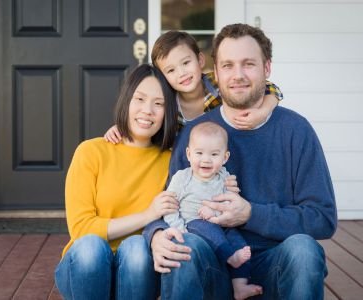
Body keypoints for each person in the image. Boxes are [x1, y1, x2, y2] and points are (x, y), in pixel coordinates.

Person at [144, 23, 337, 300]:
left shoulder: (296, 130)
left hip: (277, 262)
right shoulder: (194, 133)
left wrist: (250, 214)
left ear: (266, 68)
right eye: (228, 65)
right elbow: (169, 200)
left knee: (305, 251)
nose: (237, 75)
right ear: (216, 72)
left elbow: (323, 218)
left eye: (248, 64)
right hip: (213, 261)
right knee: (183, 247)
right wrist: (157, 233)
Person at [54, 64, 180, 300]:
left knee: (136, 248)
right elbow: (81, 229)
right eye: (139, 99)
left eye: (159, 103)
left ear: (168, 112)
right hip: (85, 268)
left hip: (138, 271)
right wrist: (147, 215)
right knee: (91, 246)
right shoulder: (91, 152)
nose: (147, 110)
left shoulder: (172, 160)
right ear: (126, 101)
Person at [104, 30, 284, 143]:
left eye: (186, 63)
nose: (182, 73)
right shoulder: (166, 101)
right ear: (162, 75)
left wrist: (263, 111)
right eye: (171, 70)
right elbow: (147, 119)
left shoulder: (218, 83)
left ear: (200, 60)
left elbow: (270, 88)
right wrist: (123, 127)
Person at [163, 121, 262, 299]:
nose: (206, 159)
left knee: (239, 242)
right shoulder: (182, 178)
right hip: (193, 223)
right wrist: (178, 228)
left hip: (222, 223)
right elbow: (169, 206)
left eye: (214, 154)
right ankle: (229, 257)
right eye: (199, 153)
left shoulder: (225, 178)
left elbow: (229, 206)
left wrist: (215, 213)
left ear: (225, 157)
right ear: (188, 154)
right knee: (207, 228)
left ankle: (240, 286)